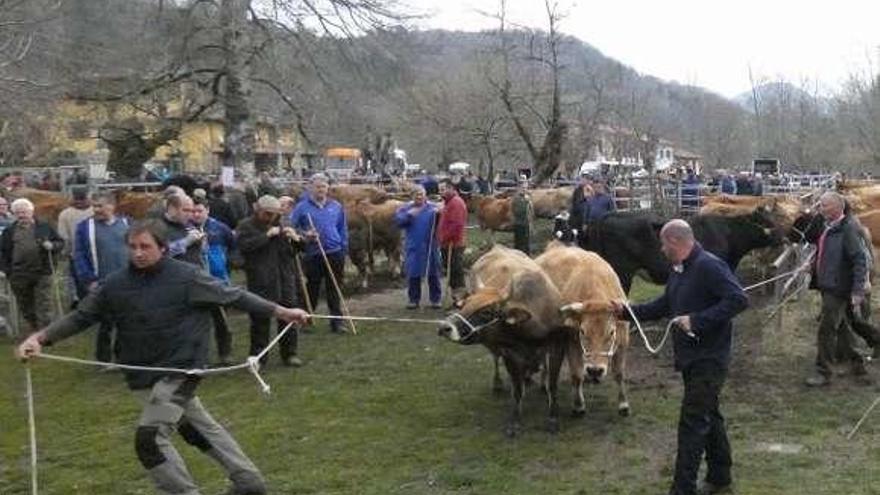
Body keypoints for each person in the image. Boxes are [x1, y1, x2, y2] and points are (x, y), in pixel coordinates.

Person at [16, 220, 309, 495]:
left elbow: (235, 296)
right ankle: (249, 483)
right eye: (133, 247)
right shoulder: (115, 285)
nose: (138, 253)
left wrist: (283, 312)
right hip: (143, 374)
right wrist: (40, 338)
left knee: (150, 441)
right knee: (196, 427)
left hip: (181, 370)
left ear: (164, 248)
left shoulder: (188, 277)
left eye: (145, 247)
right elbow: (81, 317)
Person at [612, 220, 748, 495]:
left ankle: (682, 488)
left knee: (692, 423)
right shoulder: (680, 270)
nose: (661, 249)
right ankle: (721, 476)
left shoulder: (709, 266)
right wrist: (627, 311)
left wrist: (698, 321)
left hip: (709, 358)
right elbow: (665, 304)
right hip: (691, 356)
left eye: (663, 244)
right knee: (710, 415)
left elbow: (738, 299)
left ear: (675, 242)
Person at [805, 192, 872, 387]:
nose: (820, 209)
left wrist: (858, 290)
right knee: (843, 327)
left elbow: (860, 259)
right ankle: (857, 363)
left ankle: (823, 372)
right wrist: (812, 264)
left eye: (824, 205)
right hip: (828, 285)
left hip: (838, 288)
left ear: (837, 208)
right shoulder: (830, 228)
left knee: (826, 329)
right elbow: (826, 252)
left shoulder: (848, 229)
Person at [237, 195, 303, 366]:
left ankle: (290, 354)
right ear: (257, 210)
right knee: (260, 322)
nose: (271, 217)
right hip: (261, 281)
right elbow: (244, 247)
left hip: (285, 278)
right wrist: (266, 236)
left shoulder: (283, 223)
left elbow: (295, 251)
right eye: (267, 214)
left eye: (274, 214)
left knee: (289, 319)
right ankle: (259, 357)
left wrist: (296, 239)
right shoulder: (246, 226)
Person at [72, 191, 130, 364]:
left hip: (127, 281)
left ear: (111, 206)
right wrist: (89, 280)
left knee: (127, 321)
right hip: (101, 283)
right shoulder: (84, 227)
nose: (96, 209)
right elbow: (79, 255)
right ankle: (103, 359)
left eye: (100, 206)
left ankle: (125, 357)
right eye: (94, 206)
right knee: (106, 322)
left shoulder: (127, 224)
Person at [290, 174, 348, 334]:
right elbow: (291, 228)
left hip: (335, 252)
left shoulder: (336, 206)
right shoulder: (302, 207)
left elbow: (342, 228)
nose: (321, 189)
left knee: (335, 288)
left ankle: (337, 323)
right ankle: (306, 320)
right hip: (313, 253)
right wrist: (305, 234)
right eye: (317, 186)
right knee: (312, 288)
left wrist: (343, 247)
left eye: (323, 186)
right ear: (310, 188)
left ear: (328, 188)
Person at [0, 198, 64, 334]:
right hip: (18, 273)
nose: (22, 215)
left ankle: (46, 332)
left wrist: (52, 246)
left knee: (44, 302)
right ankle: (34, 328)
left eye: (24, 212)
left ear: (31, 211)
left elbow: (60, 242)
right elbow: (4, 253)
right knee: (25, 304)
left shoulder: (44, 226)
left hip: (42, 271)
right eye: (18, 213)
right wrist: (7, 270)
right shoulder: (9, 231)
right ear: (14, 214)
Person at [192, 197, 237, 366]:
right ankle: (199, 356)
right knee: (199, 323)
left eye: (199, 211)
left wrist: (228, 263)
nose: (196, 214)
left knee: (222, 320)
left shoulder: (219, 228)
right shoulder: (186, 229)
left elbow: (234, 246)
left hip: (218, 280)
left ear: (207, 210)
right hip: (197, 281)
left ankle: (225, 353)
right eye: (193, 211)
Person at [395, 186, 442, 309]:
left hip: (430, 244)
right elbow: (398, 222)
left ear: (425, 195)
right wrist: (409, 216)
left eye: (421, 194)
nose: (419, 197)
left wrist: (440, 213)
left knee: (433, 272)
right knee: (413, 272)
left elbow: (444, 218)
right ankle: (414, 300)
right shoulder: (405, 209)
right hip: (414, 245)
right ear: (412, 196)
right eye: (416, 195)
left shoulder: (432, 208)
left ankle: (435, 299)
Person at [57, 187, 94, 306]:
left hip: (76, 255)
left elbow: (64, 237)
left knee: (79, 281)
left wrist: (66, 252)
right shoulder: (95, 211)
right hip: (96, 252)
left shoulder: (65, 214)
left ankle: (82, 303)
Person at [437, 180, 468, 303]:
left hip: (453, 243)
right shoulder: (448, 202)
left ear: (450, 188)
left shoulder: (456, 203)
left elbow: (456, 224)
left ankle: (461, 299)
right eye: (439, 189)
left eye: (443, 189)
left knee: (456, 271)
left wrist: (445, 237)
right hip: (447, 243)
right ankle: (456, 297)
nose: (440, 192)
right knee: (451, 270)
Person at [162, 194, 205, 267]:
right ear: (172, 209)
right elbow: (159, 254)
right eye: (185, 210)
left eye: (191, 211)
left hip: (196, 274)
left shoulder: (190, 225)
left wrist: (201, 243)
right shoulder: (158, 226)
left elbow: (202, 256)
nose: (190, 215)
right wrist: (186, 242)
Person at [511, 175, 533, 255]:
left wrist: (530, 222)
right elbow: (516, 211)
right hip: (519, 224)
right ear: (519, 187)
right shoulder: (516, 198)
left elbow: (531, 211)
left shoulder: (528, 197)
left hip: (526, 223)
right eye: (523, 188)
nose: (524, 189)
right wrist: (525, 202)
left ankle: (527, 257)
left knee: (527, 244)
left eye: (525, 187)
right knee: (519, 244)